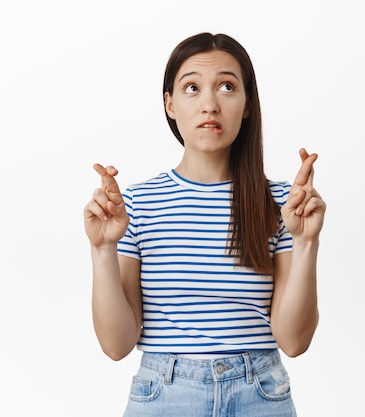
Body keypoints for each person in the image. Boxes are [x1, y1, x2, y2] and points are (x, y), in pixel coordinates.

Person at [83, 32, 326, 416]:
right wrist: (102, 248)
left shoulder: (283, 203)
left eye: (227, 86)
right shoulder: (135, 204)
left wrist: (307, 242)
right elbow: (116, 346)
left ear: (247, 104)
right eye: (192, 87)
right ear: (170, 104)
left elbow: (294, 342)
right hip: (164, 395)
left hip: (259, 395)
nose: (210, 104)